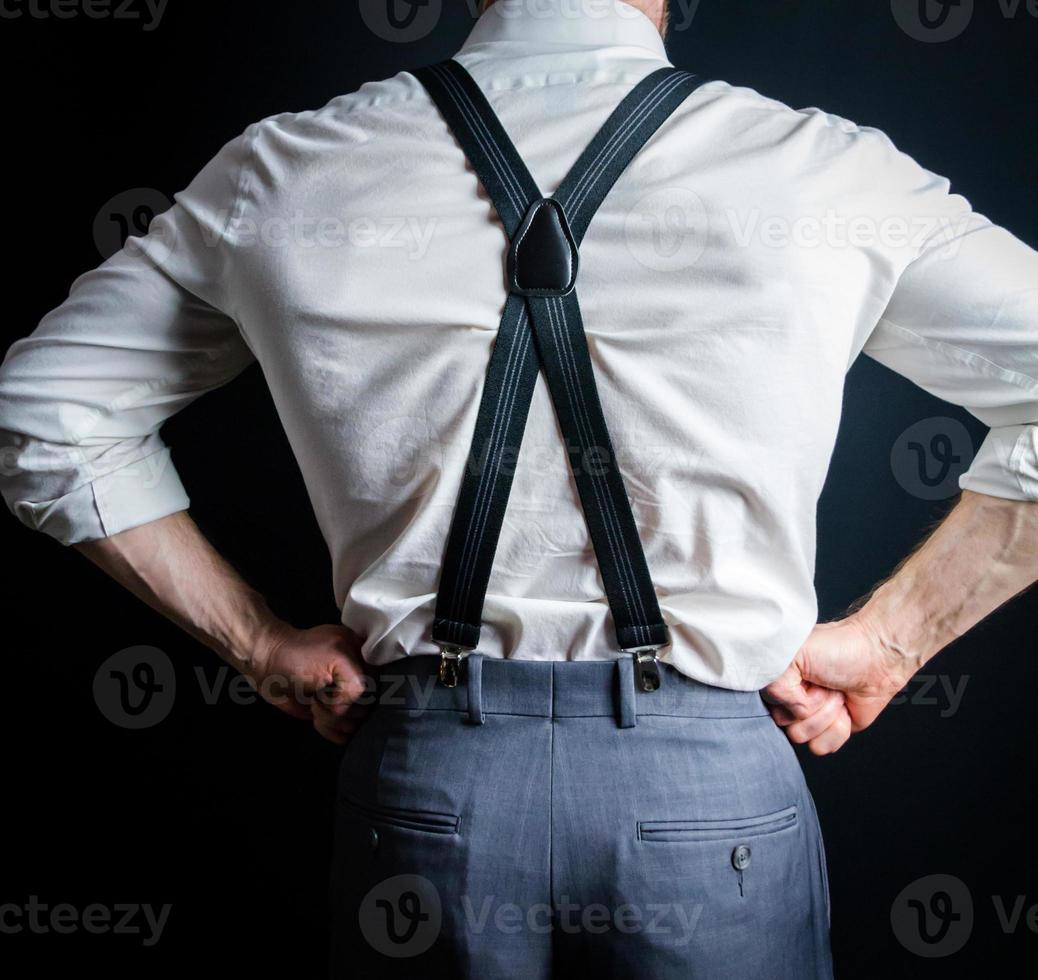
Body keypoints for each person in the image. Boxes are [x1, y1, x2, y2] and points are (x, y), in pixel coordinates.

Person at [2, 0, 1036, 976]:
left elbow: (39, 412)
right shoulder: (824, 172)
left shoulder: (286, 168)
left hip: (429, 792)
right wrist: (896, 636)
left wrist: (257, 642)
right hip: (709, 800)